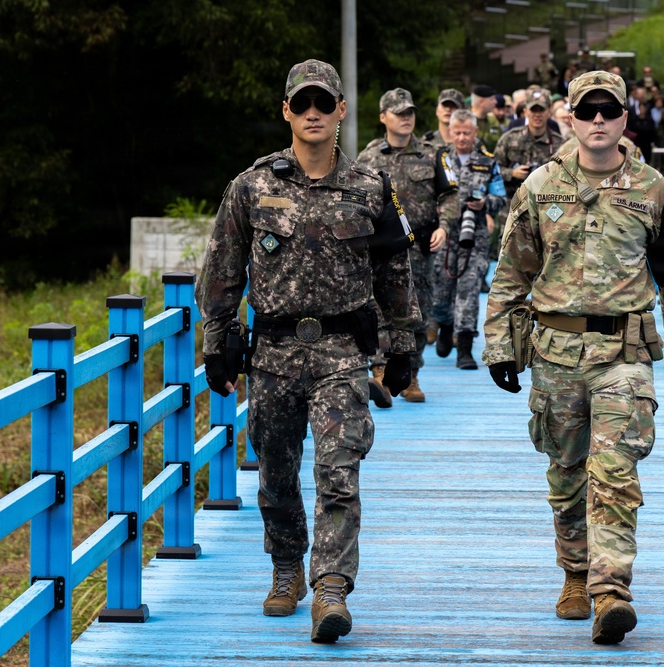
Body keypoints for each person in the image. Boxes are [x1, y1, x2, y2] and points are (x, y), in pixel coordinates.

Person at [482, 70, 664, 645]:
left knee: (614, 470)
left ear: (625, 118)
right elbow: (511, 274)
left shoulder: (653, 190)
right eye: (589, 112)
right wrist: (499, 346)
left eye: (610, 110)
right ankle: (576, 573)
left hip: (624, 354)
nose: (599, 121)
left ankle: (612, 590)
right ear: (571, 118)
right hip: (555, 353)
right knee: (565, 474)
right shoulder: (538, 187)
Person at [196, 59, 420, 644]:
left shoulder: (371, 188)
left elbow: (396, 270)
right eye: (303, 104)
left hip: (344, 351)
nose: (314, 113)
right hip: (271, 352)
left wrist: (404, 343)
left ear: (342, 109)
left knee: (338, 469)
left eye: (325, 103)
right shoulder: (252, 186)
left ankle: (331, 589)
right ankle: (287, 566)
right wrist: (216, 341)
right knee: (275, 473)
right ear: (287, 113)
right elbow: (221, 269)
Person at [356, 88, 459, 405]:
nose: (406, 118)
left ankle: (411, 374)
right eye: (399, 113)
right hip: (380, 250)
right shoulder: (368, 157)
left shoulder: (433, 153)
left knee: (419, 313)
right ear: (383, 117)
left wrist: (445, 225)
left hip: (420, 248)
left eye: (410, 112)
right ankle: (380, 371)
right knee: (378, 309)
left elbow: (451, 195)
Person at [434, 109, 506, 369]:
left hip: (474, 234)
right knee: (441, 290)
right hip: (444, 233)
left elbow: (501, 198)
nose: (462, 137)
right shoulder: (439, 159)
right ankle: (444, 325)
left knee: (469, 289)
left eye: (467, 132)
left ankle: (465, 348)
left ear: (475, 133)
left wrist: (485, 203)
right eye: (458, 132)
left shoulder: (488, 162)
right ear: (450, 132)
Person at [492, 89, 564, 259]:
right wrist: (512, 173)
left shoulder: (559, 144)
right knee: (508, 256)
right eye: (533, 110)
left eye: (542, 110)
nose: (537, 115)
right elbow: (492, 171)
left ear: (549, 111)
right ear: (525, 111)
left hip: (547, 210)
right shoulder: (509, 139)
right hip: (513, 208)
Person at [470, 84, 503, 151]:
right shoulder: (465, 121)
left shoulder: (494, 121)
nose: (495, 102)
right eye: (492, 99)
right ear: (481, 102)